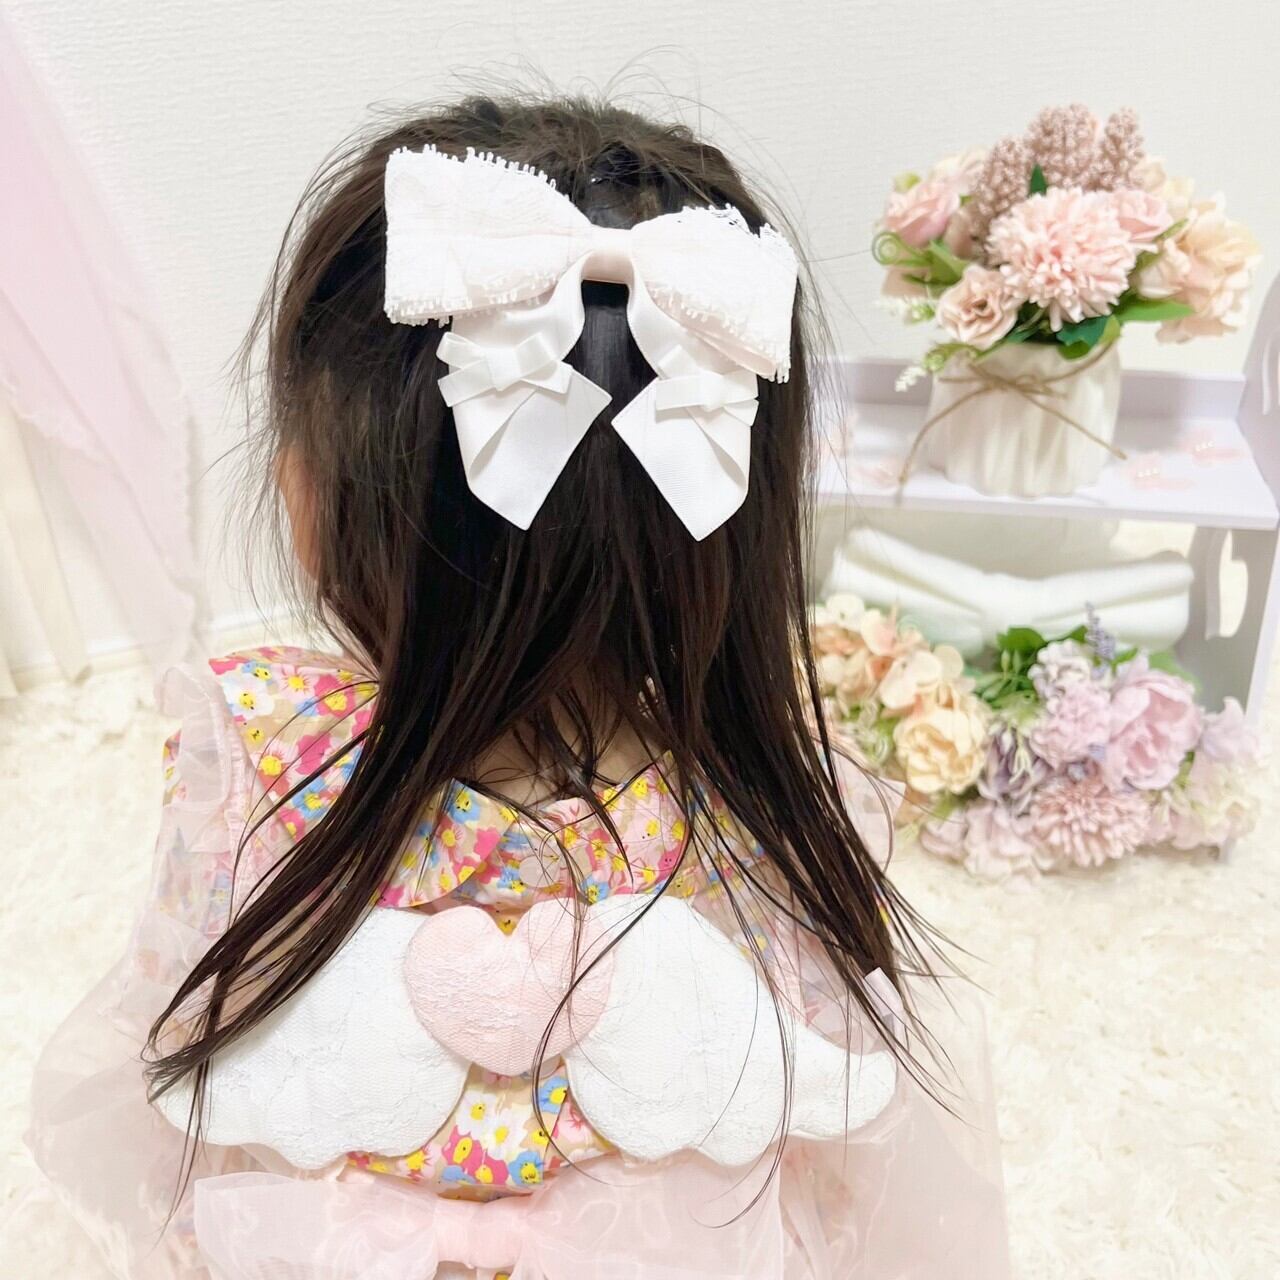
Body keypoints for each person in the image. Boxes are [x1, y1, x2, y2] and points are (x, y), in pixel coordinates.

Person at [28, 94, 1009, 1278]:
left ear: (303, 495)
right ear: (739, 527)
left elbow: (173, 1036)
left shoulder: (252, 761)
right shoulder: (774, 810)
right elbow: (839, 1120)